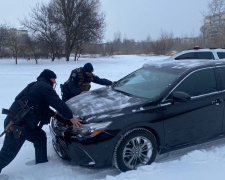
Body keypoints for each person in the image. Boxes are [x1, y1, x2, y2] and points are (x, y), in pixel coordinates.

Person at [0, 69, 82, 174]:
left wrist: (60, 117)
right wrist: (71, 117)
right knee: (7, 154)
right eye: (54, 79)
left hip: (24, 124)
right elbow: (57, 102)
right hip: (17, 125)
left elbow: (41, 108)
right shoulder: (43, 87)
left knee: (40, 138)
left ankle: (42, 165)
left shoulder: (36, 85)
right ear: (49, 78)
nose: (55, 82)